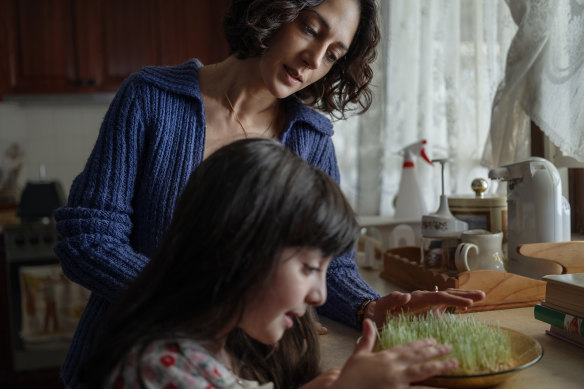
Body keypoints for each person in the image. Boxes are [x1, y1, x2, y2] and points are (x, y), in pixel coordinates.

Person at [54, 0, 485, 387]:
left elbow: (326, 266)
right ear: (272, 12)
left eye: (334, 54)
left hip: (245, 372)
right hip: (131, 363)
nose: (314, 59)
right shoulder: (151, 98)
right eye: (311, 29)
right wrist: (218, 307)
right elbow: (88, 240)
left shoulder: (312, 138)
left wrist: (367, 308)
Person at [77, 138, 459, 389]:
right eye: (309, 268)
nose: (320, 295)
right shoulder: (160, 370)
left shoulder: (214, 350)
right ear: (239, 250)